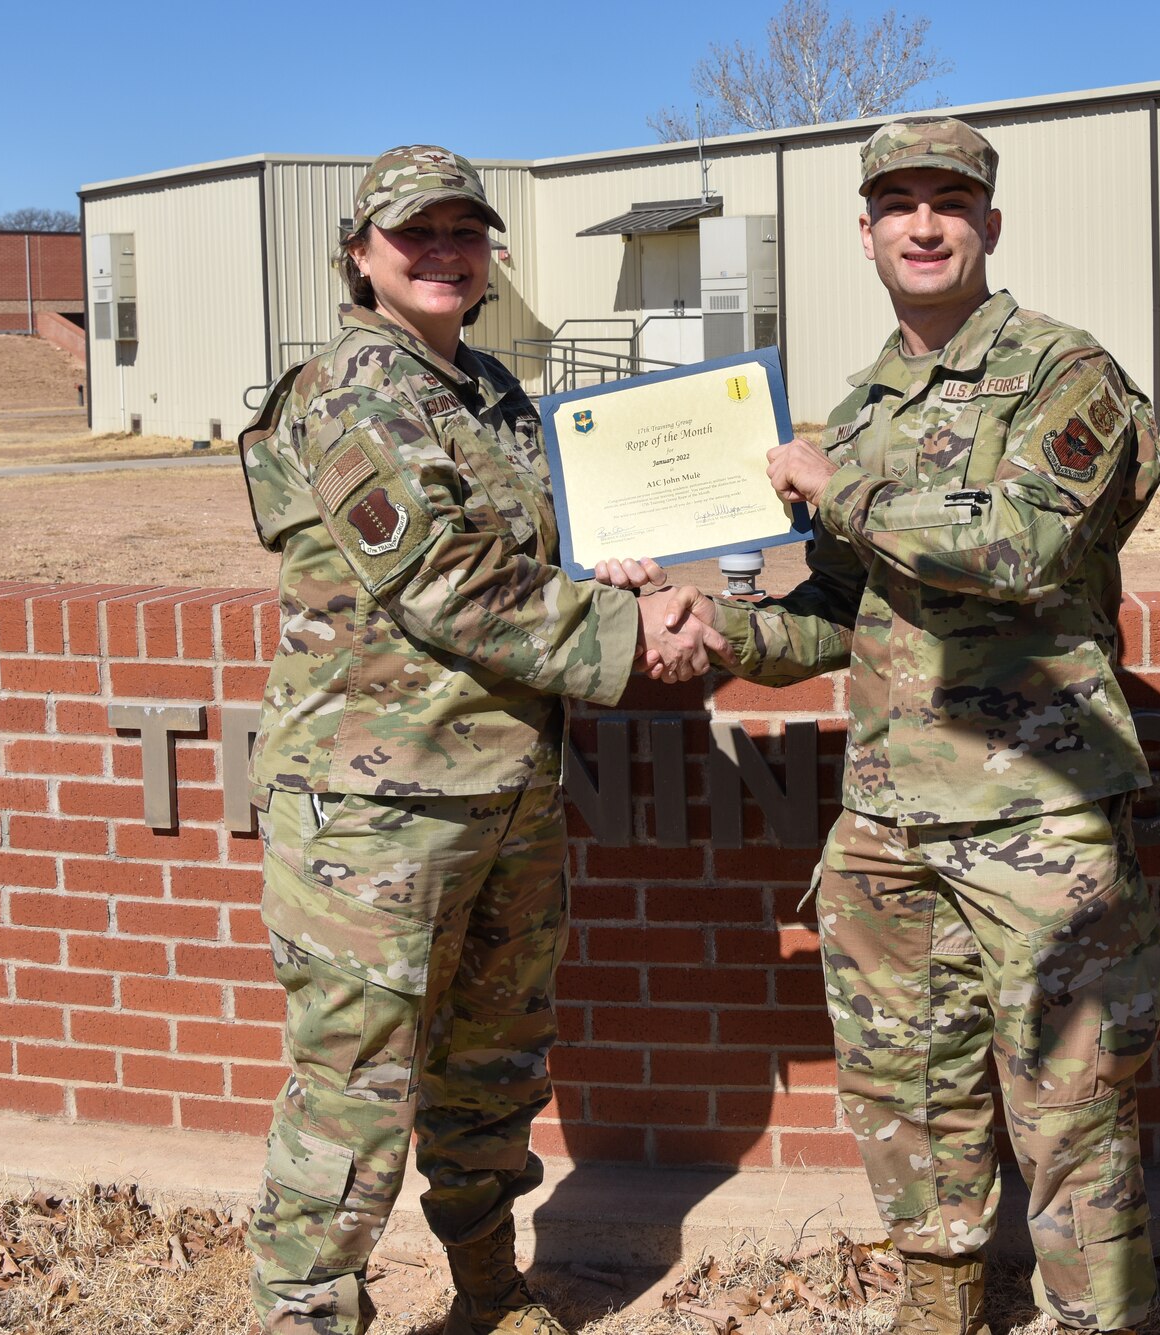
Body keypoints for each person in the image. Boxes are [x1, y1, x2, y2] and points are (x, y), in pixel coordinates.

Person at [608, 116, 1160, 1335]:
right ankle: (941, 1301)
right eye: (897, 205)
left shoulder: (1061, 374)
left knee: (1069, 1106)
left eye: (948, 202)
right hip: (889, 818)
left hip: (1035, 816)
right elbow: (840, 614)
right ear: (862, 234)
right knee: (905, 1087)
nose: (924, 224)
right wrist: (711, 625)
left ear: (988, 225)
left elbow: (1020, 546)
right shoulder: (861, 407)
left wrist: (831, 484)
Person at [237, 144, 723, 1335]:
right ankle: (306, 1316)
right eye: (415, 233)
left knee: (491, 1070)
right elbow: (445, 581)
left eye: (465, 231)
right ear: (359, 255)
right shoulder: (354, 392)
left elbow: (533, 546)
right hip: (375, 809)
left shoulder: (492, 393)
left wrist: (609, 556)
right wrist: (628, 632)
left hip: (503, 785)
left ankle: (488, 1291)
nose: (445, 252)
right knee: (355, 1095)